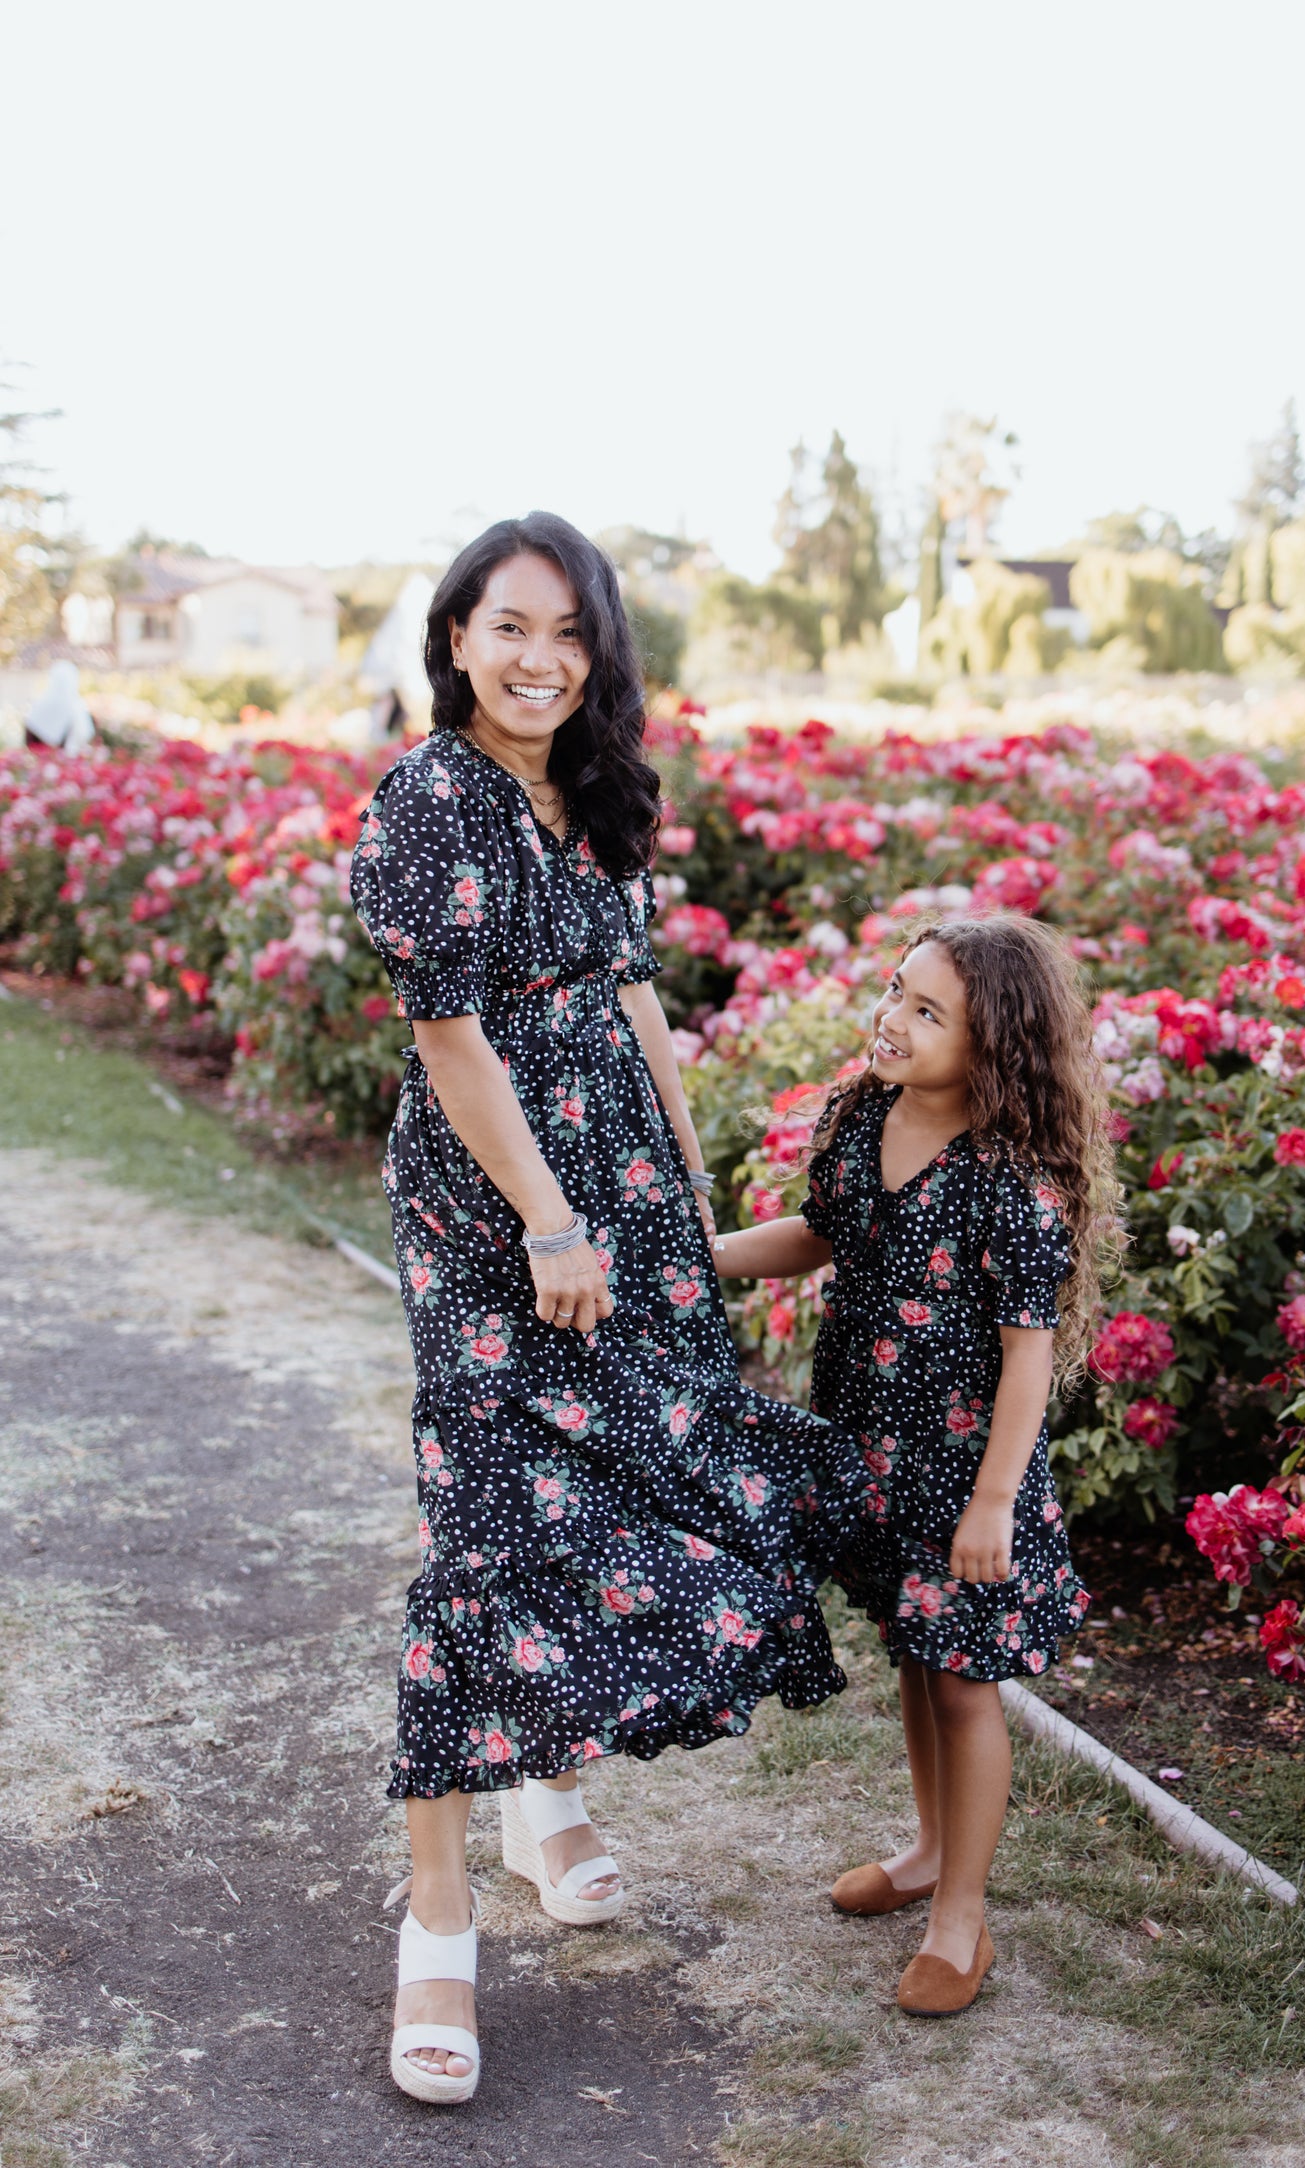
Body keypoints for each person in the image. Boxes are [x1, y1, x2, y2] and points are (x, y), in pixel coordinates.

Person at [350, 513, 862, 2105]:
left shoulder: (588, 795)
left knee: (625, 1477)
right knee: (491, 1517)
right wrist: (554, 1219)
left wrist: (682, 1192)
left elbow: (631, 993)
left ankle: (539, 1792)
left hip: (622, 1187)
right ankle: (440, 1918)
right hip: (499, 1199)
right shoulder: (427, 798)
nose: (538, 660)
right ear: (453, 638)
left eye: (569, 635)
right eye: (509, 627)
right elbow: (451, 1038)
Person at [713, 914, 1118, 2018]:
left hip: (963, 1476)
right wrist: (701, 1264)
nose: (890, 1016)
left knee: (963, 1682)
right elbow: (818, 1232)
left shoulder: (1010, 1184)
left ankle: (961, 1917)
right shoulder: (860, 1114)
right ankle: (931, 1849)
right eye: (895, 989)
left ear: (994, 1048)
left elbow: (1029, 1362)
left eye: (927, 1010)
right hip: (871, 1451)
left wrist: (994, 1502)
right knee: (911, 1653)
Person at [24, 660, 95, 754]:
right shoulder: (77, 707)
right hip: (67, 764)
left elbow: (29, 739)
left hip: (42, 762)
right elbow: (84, 736)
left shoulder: (39, 705)